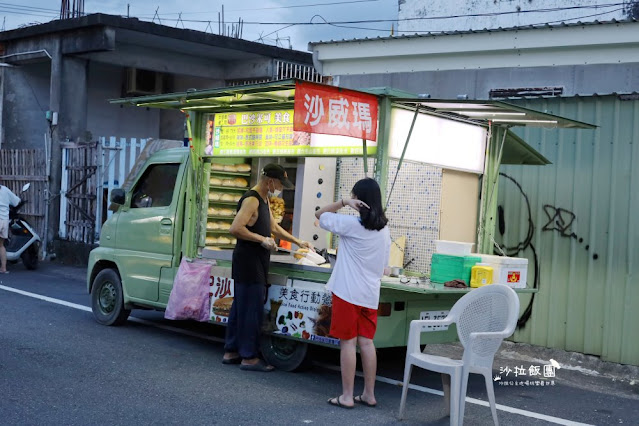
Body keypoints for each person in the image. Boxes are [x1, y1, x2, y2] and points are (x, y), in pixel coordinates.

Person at [222, 163, 312, 372]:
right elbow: (235, 228)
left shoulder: (265, 199)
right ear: (270, 180)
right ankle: (249, 357)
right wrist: (261, 239)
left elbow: (273, 227)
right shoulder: (252, 199)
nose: (281, 188)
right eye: (280, 183)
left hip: (254, 261)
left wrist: (298, 241)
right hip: (249, 262)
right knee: (251, 309)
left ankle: (231, 351)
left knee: (240, 307)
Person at [315, 177, 390, 409]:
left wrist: (343, 202)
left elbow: (319, 214)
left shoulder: (351, 225)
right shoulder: (384, 229)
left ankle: (347, 396)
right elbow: (384, 266)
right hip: (370, 294)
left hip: (348, 293)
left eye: (354, 196)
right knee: (367, 343)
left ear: (359, 200)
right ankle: (369, 394)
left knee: (348, 343)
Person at [0, 184, 21, 274]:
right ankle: (3, 268)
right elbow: (17, 201)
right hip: (4, 221)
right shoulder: (4, 189)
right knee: (1, 245)